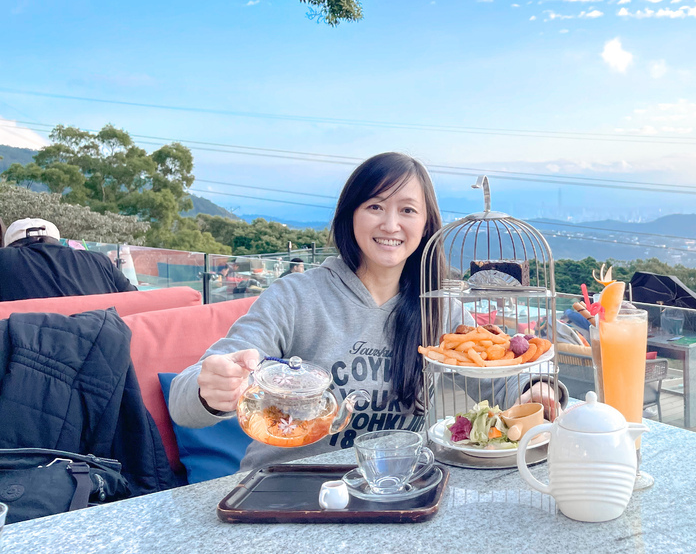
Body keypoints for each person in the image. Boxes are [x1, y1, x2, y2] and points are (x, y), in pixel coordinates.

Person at [169, 153, 563, 471]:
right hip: (288, 486)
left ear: (426, 225)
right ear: (351, 214)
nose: (391, 223)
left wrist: (538, 390)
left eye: (408, 210)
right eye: (375, 205)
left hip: (394, 485)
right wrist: (212, 390)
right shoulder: (296, 297)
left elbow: (501, 382)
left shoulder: (441, 311)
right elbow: (185, 401)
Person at [0, 218, 137, 302]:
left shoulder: (4, 259)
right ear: (56, 241)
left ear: (11, 245)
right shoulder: (101, 261)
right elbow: (136, 301)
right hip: (100, 344)